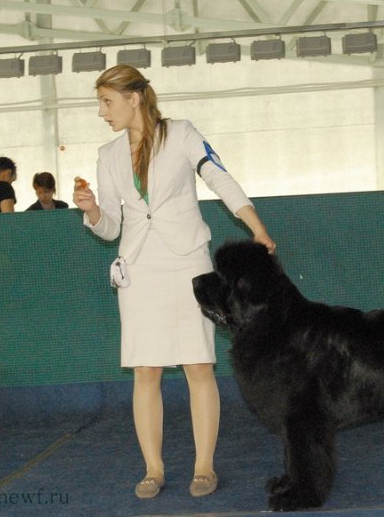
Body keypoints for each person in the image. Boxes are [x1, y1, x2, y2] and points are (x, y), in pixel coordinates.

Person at [73, 65, 275, 500]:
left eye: (107, 102)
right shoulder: (107, 155)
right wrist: (91, 210)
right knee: (145, 371)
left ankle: (204, 467)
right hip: (139, 267)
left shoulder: (181, 133)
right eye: (100, 103)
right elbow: (110, 227)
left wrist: (256, 228)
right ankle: (153, 469)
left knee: (198, 366)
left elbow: (219, 176)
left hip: (188, 262)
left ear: (134, 98)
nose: (102, 112)